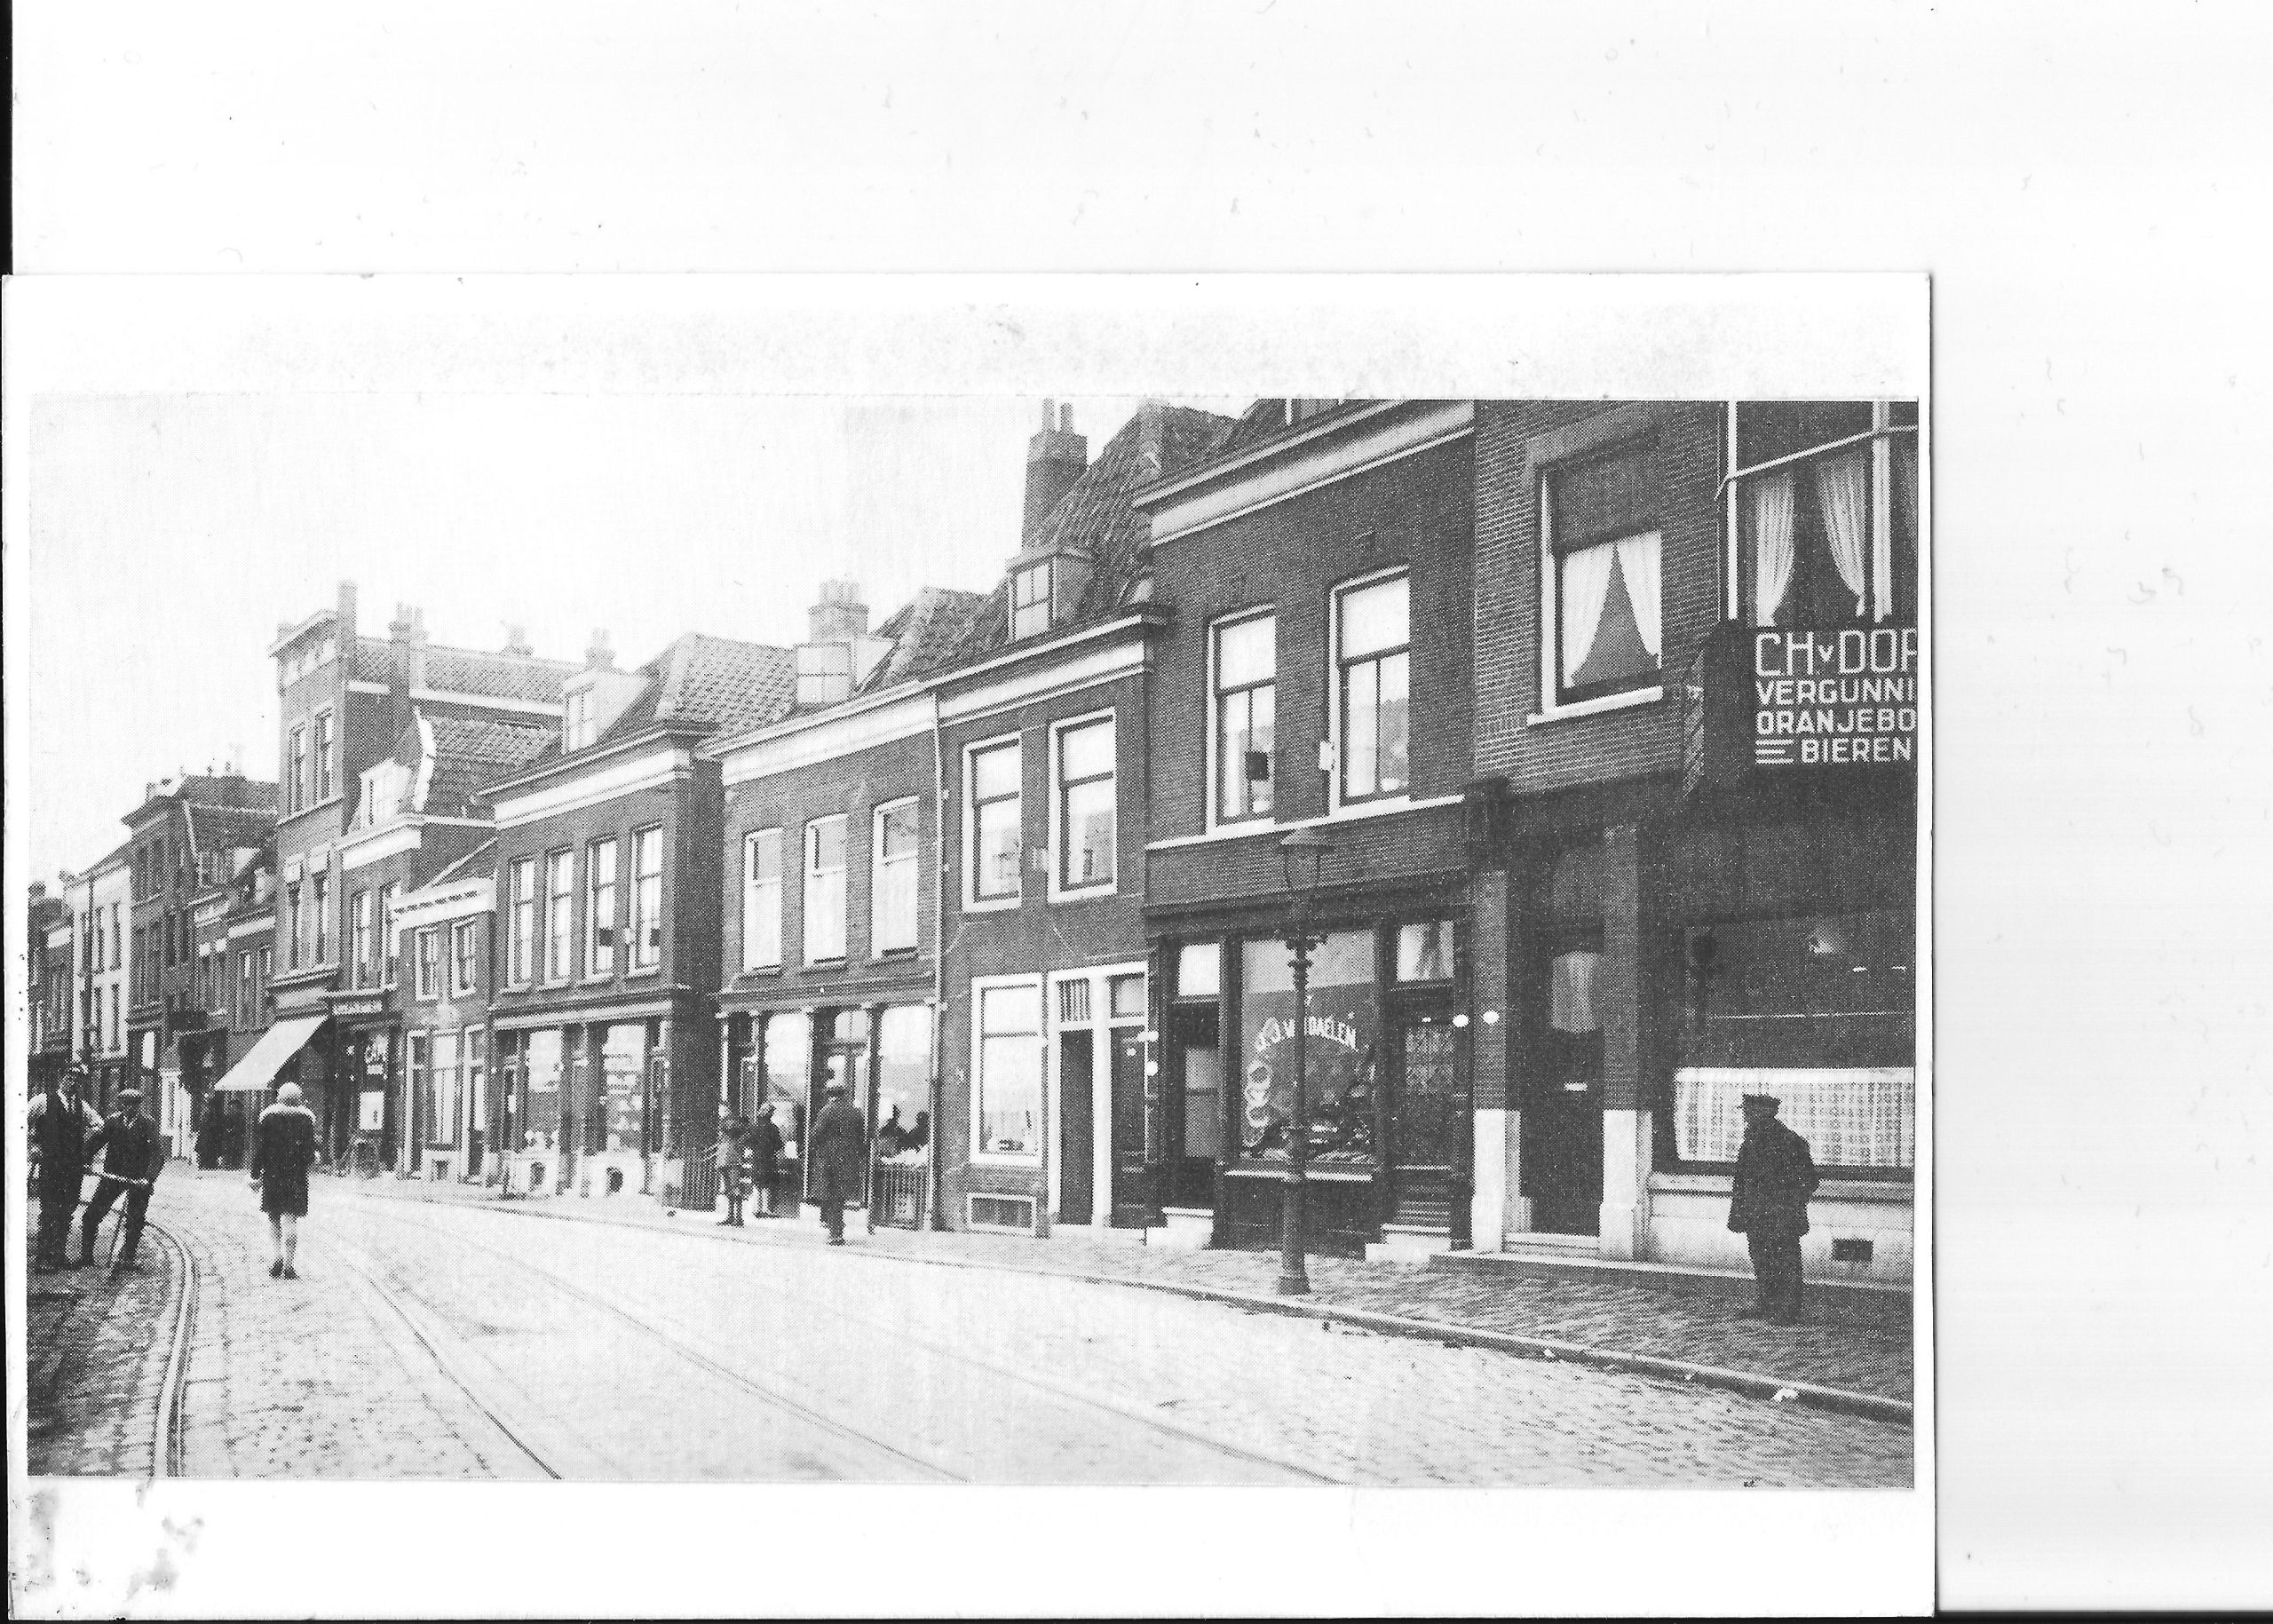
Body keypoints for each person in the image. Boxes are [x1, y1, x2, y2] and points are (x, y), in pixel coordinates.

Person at [1727, 1092, 1820, 1325]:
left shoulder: (1790, 1141)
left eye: (1749, 1112)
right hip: (1756, 1215)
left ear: (1763, 1114)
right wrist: (1740, 1212)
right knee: (1762, 1259)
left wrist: (1789, 1204)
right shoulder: (1751, 1142)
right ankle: (1767, 1304)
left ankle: (1787, 1310)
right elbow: (1742, 1181)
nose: (1745, 1116)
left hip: (1781, 1216)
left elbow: (1809, 1180)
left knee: (1785, 1261)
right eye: (1746, 1112)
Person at [78, 1087, 163, 1273]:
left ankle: (128, 1259)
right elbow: (96, 1141)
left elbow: (157, 1154)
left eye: (134, 1105)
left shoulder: (148, 1124)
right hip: (113, 1177)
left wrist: (148, 1178)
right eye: (126, 1104)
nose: (130, 1108)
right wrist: (85, 1160)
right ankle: (86, 1257)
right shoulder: (113, 1122)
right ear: (121, 1105)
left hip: (138, 1181)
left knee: (135, 1219)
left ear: (139, 1106)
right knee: (91, 1215)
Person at [30, 1069, 101, 1271]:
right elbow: (20, 1121)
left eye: (77, 1080)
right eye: (69, 1078)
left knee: (67, 1211)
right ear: (61, 1079)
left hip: (73, 1169)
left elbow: (99, 1125)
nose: (73, 1083)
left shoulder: (81, 1106)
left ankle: (59, 1255)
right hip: (51, 1167)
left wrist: (86, 1147)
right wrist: (33, 1146)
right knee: (49, 1211)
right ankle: (43, 1258)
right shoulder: (43, 1101)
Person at [249, 1081, 319, 1279]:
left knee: (273, 1217)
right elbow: (309, 1154)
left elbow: (261, 1150)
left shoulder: (268, 1118)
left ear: (279, 1098)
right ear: (299, 1100)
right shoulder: (307, 1120)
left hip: (273, 1175)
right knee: (291, 1218)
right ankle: (289, 1265)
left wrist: (255, 1174)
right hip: (296, 1177)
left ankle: (277, 1255)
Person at [808, 1081, 867, 1245]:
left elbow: (815, 1135)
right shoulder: (855, 1112)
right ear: (843, 1094)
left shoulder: (827, 1111)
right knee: (839, 1196)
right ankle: (836, 1228)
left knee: (831, 1194)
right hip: (849, 1160)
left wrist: (818, 1148)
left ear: (830, 1095)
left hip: (830, 1158)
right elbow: (862, 1137)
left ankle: (835, 1233)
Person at [744, 1102, 785, 1218]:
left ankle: (756, 1209)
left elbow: (748, 1141)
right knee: (767, 1184)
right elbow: (779, 1145)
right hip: (769, 1159)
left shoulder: (754, 1127)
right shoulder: (773, 1128)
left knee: (757, 1183)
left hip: (757, 1158)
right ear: (770, 1114)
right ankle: (765, 1209)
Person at [715, 1114, 749, 1226]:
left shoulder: (730, 1139)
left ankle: (737, 1217)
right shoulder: (731, 1139)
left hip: (729, 1162)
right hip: (727, 1161)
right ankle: (733, 1216)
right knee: (731, 1188)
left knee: (734, 1188)